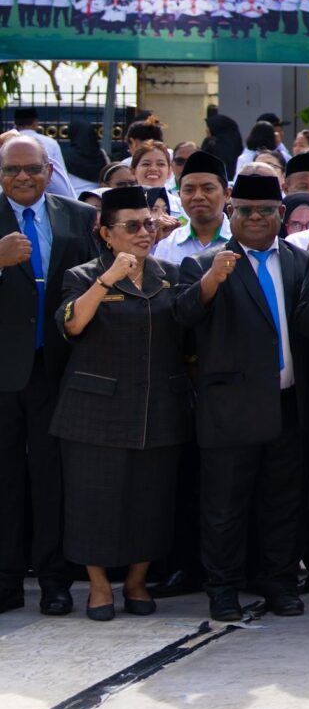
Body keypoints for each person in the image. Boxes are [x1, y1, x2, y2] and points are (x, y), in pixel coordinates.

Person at [50, 188, 197, 620]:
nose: (143, 233)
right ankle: (98, 586)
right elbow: (72, 323)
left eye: (149, 223)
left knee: (150, 502)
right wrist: (107, 279)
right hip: (95, 410)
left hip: (158, 408)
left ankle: (136, 581)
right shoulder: (83, 275)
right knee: (93, 501)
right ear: (105, 234)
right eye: (131, 226)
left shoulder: (170, 274)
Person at [174, 173, 307, 622]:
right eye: (245, 210)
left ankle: (280, 583)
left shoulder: (296, 260)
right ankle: (223, 588)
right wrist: (212, 280)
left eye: (265, 210)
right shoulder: (205, 263)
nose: (255, 218)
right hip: (231, 408)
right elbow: (186, 314)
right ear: (230, 213)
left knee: (281, 502)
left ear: (280, 215)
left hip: (287, 402)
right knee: (224, 508)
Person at [2, 133, 96, 615]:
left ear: (48, 170)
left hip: (57, 368)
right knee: (5, 479)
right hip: (2, 371)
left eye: (31, 169)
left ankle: (55, 579)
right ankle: (6, 580)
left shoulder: (76, 216)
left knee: (50, 476)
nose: (22, 177)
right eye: (11, 170)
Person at [155, 149, 232, 264]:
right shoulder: (167, 245)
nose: (198, 196)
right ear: (180, 195)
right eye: (189, 190)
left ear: (227, 194)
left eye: (208, 189)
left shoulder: (240, 240)